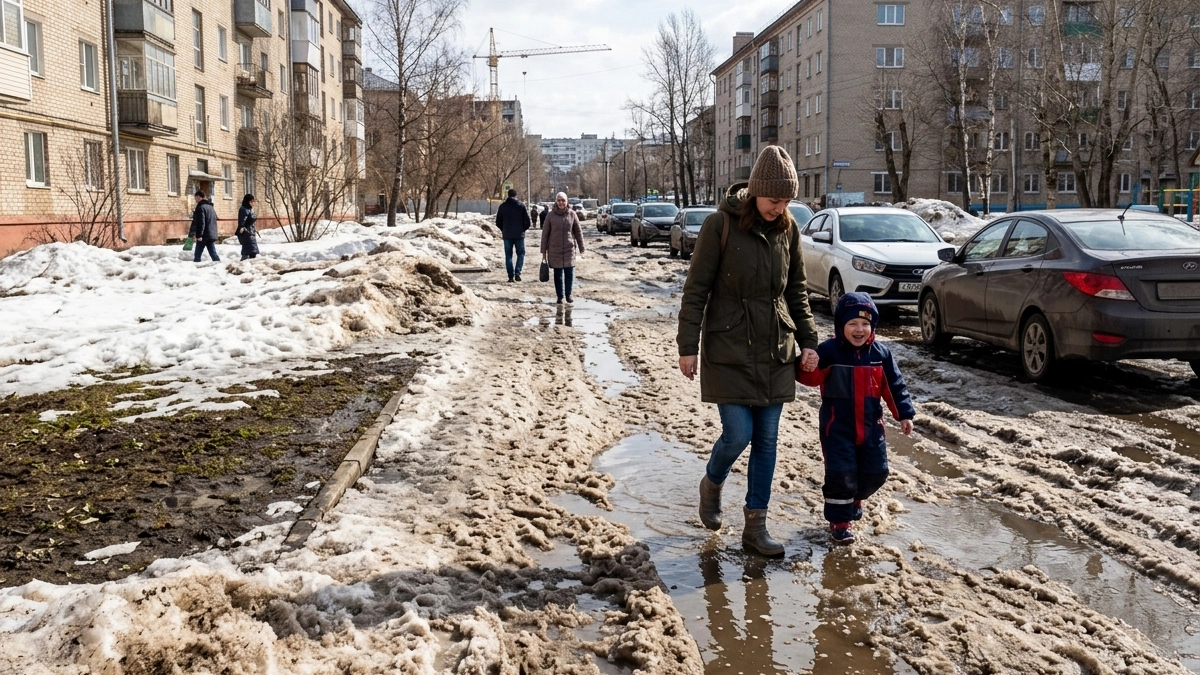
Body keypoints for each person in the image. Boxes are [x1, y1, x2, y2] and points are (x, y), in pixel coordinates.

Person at [676, 145, 820, 557]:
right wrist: (688, 346)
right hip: (729, 347)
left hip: (775, 348)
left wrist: (808, 341)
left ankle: (755, 527)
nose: (781, 207)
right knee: (739, 433)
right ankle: (712, 482)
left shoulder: (788, 230)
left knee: (768, 440)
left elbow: (796, 291)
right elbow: (696, 291)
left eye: (787, 200)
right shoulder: (719, 225)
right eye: (775, 199)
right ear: (756, 192)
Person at [797, 292, 914, 546]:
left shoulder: (881, 354)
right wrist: (806, 365)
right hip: (837, 427)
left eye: (865, 324)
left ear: (873, 326)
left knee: (877, 472)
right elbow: (811, 379)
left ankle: (855, 498)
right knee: (840, 474)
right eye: (852, 324)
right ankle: (840, 524)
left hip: (872, 428)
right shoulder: (830, 351)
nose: (859, 329)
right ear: (841, 326)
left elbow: (894, 386)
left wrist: (904, 414)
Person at [540, 192, 585, 304]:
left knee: (569, 273)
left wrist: (582, 248)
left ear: (567, 201)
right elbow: (545, 234)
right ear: (556, 201)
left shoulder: (572, 214)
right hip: (554, 249)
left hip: (569, 249)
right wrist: (543, 251)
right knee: (558, 274)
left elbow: (578, 232)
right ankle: (560, 296)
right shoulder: (550, 215)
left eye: (563, 200)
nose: (561, 202)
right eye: (559, 200)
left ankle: (568, 295)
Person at [496, 188, 532, 281]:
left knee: (508, 255)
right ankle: (517, 273)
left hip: (507, 235)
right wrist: (522, 230)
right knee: (521, 253)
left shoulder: (502, 206)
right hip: (519, 235)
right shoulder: (521, 206)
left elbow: (498, 222)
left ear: (508, 195)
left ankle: (510, 276)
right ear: (516, 196)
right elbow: (527, 222)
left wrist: (503, 229)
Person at [189, 190, 220, 263]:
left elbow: (201, 222)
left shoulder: (200, 207)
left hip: (203, 235)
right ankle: (218, 264)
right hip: (211, 233)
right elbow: (214, 219)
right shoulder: (210, 207)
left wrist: (199, 235)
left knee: (197, 254)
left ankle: (196, 265)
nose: (195, 200)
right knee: (213, 252)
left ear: (199, 197)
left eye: (195, 198)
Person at [236, 194, 259, 261]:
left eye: (253, 201)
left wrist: (254, 228)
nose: (253, 203)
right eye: (252, 201)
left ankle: (250, 265)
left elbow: (251, 220)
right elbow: (242, 220)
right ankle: (243, 264)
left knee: (252, 251)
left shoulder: (250, 209)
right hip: (246, 232)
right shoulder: (244, 209)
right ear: (248, 201)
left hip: (251, 232)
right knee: (248, 249)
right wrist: (242, 227)